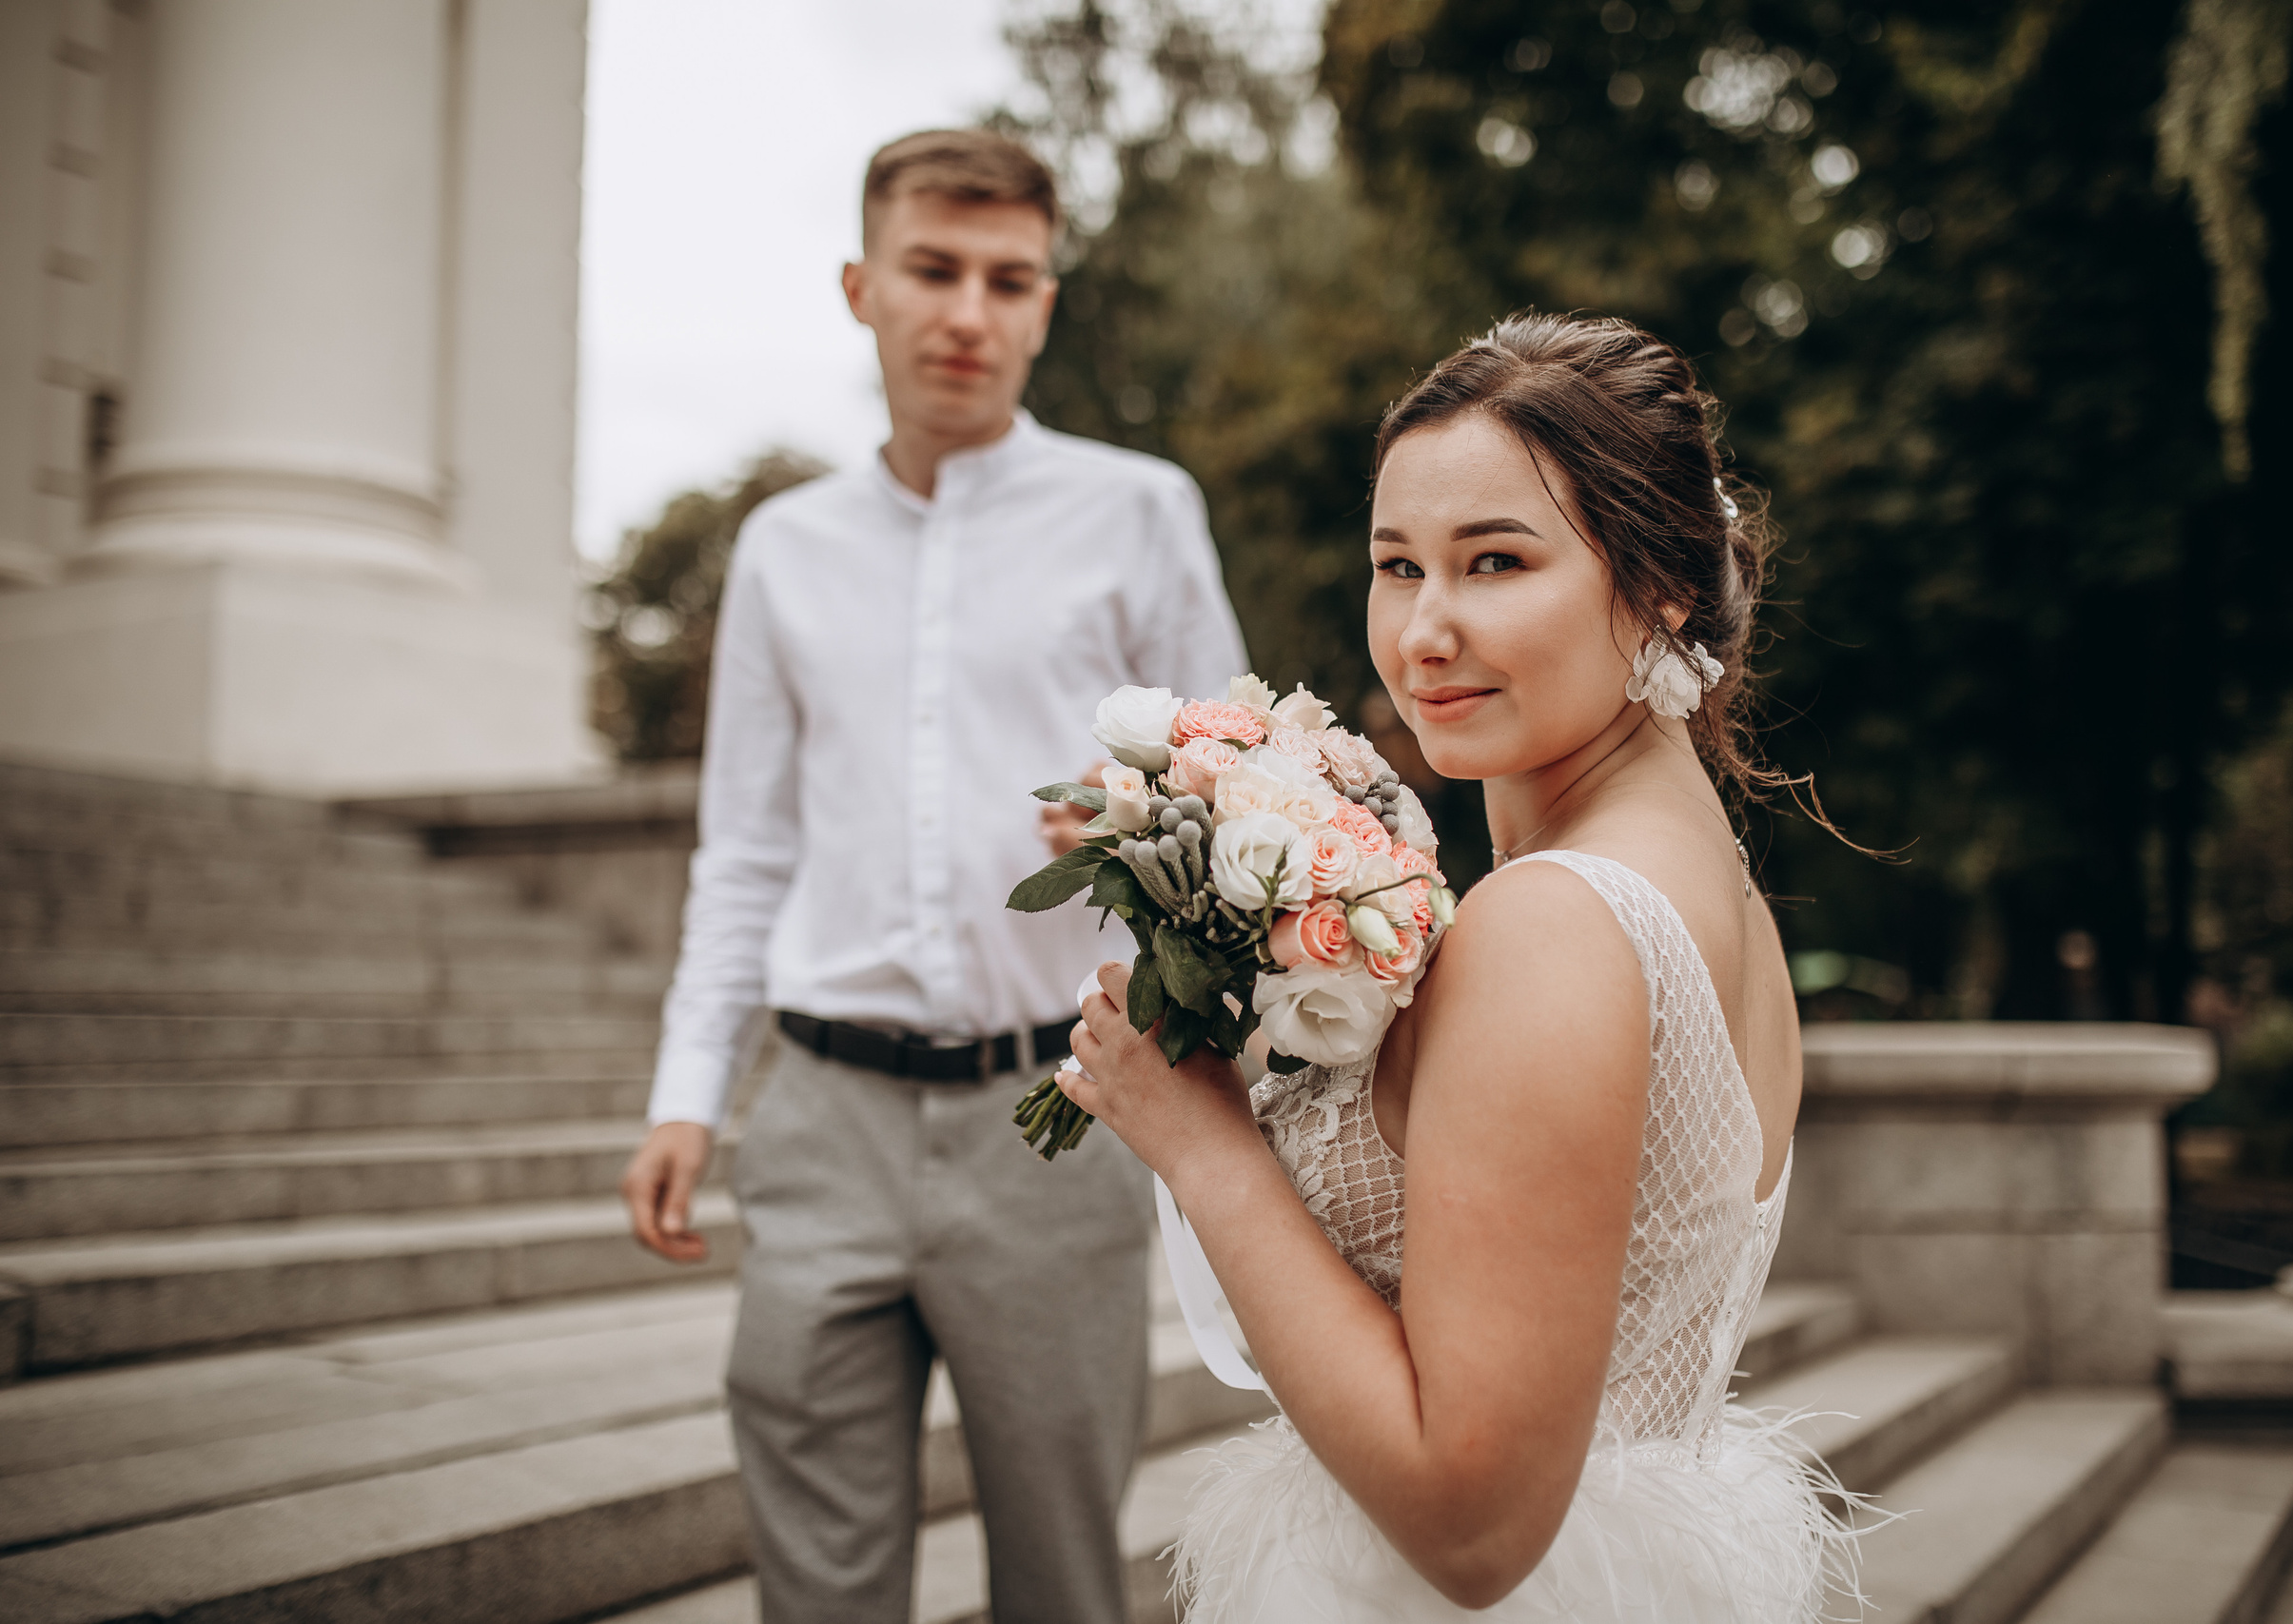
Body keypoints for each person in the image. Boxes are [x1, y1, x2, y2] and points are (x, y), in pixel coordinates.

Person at [1053, 313, 1861, 1621]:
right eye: (1398, 566)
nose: (1425, 630)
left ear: (1660, 584)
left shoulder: (1552, 925)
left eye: (1496, 562)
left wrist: (1203, 1144)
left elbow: (1473, 1526)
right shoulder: (1711, 892)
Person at [618, 128, 1247, 1624]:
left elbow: (1235, 787)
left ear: (1045, 305)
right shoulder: (782, 549)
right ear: (863, 287)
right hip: (820, 1125)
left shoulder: (1140, 510)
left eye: (1008, 280)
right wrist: (688, 1092)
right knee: (816, 1585)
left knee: (1062, 1581)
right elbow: (746, 846)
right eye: (934, 270)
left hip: (1056, 1118)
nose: (968, 312)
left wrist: (1140, 823)